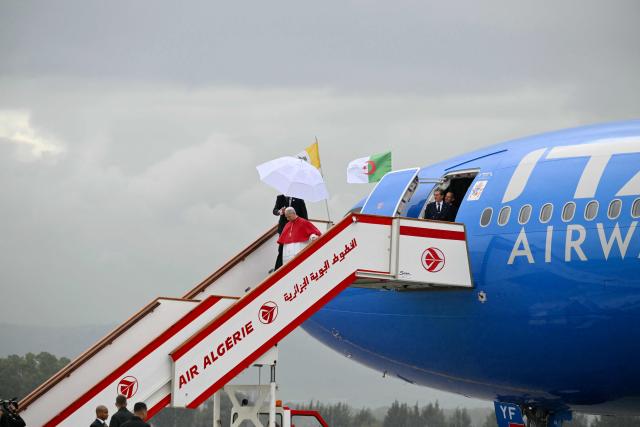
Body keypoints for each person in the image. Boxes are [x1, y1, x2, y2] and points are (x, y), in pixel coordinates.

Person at [273, 195, 308, 271]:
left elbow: (304, 217)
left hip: (295, 229)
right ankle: (278, 270)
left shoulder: (299, 199)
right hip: (283, 229)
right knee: (281, 250)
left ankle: (293, 268)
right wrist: (280, 212)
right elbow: (274, 211)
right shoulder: (280, 197)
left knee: (294, 249)